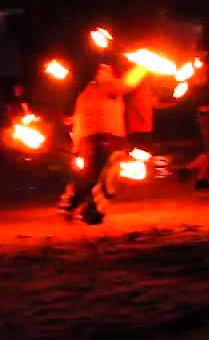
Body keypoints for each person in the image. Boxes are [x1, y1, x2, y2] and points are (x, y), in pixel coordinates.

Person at [59, 63, 146, 224]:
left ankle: (70, 203)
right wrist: (144, 66)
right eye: (102, 70)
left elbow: (77, 120)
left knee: (89, 176)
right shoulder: (106, 87)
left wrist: (76, 145)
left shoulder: (85, 93)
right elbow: (128, 83)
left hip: (89, 140)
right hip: (107, 140)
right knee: (107, 178)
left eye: (106, 69)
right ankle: (92, 212)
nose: (103, 71)